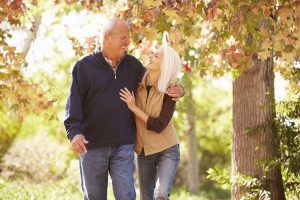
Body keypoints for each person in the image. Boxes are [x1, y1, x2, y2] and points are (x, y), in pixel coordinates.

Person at [64, 18, 184, 200]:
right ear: (107, 38)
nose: (128, 42)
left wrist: (180, 89)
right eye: (123, 37)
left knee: (127, 195)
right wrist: (74, 133)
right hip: (92, 145)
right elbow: (74, 104)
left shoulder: (133, 66)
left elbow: (159, 78)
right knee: (94, 196)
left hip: (124, 145)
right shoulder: (84, 66)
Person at [120, 44, 181, 200]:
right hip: (143, 151)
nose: (150, 55)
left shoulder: (170, 90)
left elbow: (159, 125)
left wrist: (134, 107)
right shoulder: (137, 79)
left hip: (167, 149)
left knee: (161, 194)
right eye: (152, 52)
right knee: (146, 197)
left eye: (156, 55)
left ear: (164, 64)